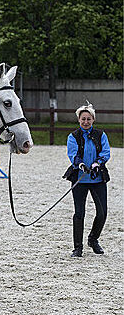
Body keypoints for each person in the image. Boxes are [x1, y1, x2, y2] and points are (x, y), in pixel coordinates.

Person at [63, 103, 111, 258]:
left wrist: (98, 163)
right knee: (79, 213)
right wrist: (80, 164)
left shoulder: (101, 135)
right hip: (80, 179)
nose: (85, 122)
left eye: (88, 119)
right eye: (83, 119)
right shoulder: (73, 136)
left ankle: (93, 239)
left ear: (93, 120)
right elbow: (72, 153)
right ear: (79, 120)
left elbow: (106, 151)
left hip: (97, 179)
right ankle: (77, 247)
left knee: (102, 213)